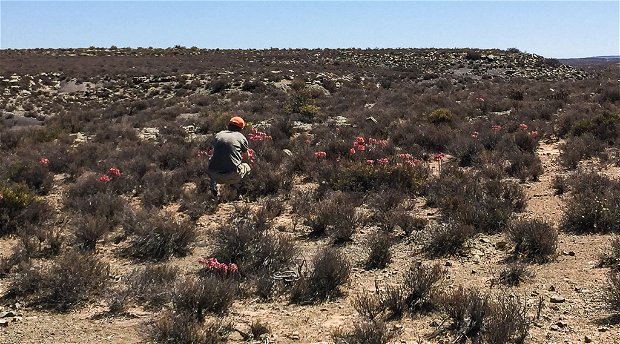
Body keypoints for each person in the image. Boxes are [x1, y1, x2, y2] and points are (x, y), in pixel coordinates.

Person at [207, 116, 252, 197]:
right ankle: (240, 192)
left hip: (214, 174)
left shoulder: (219, 135)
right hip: (232, 175)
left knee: (211, 160)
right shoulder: (241, 137)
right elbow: (246, 157)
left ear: (228, 126)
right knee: (247, 167)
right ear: (241, 129)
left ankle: (214, 185)